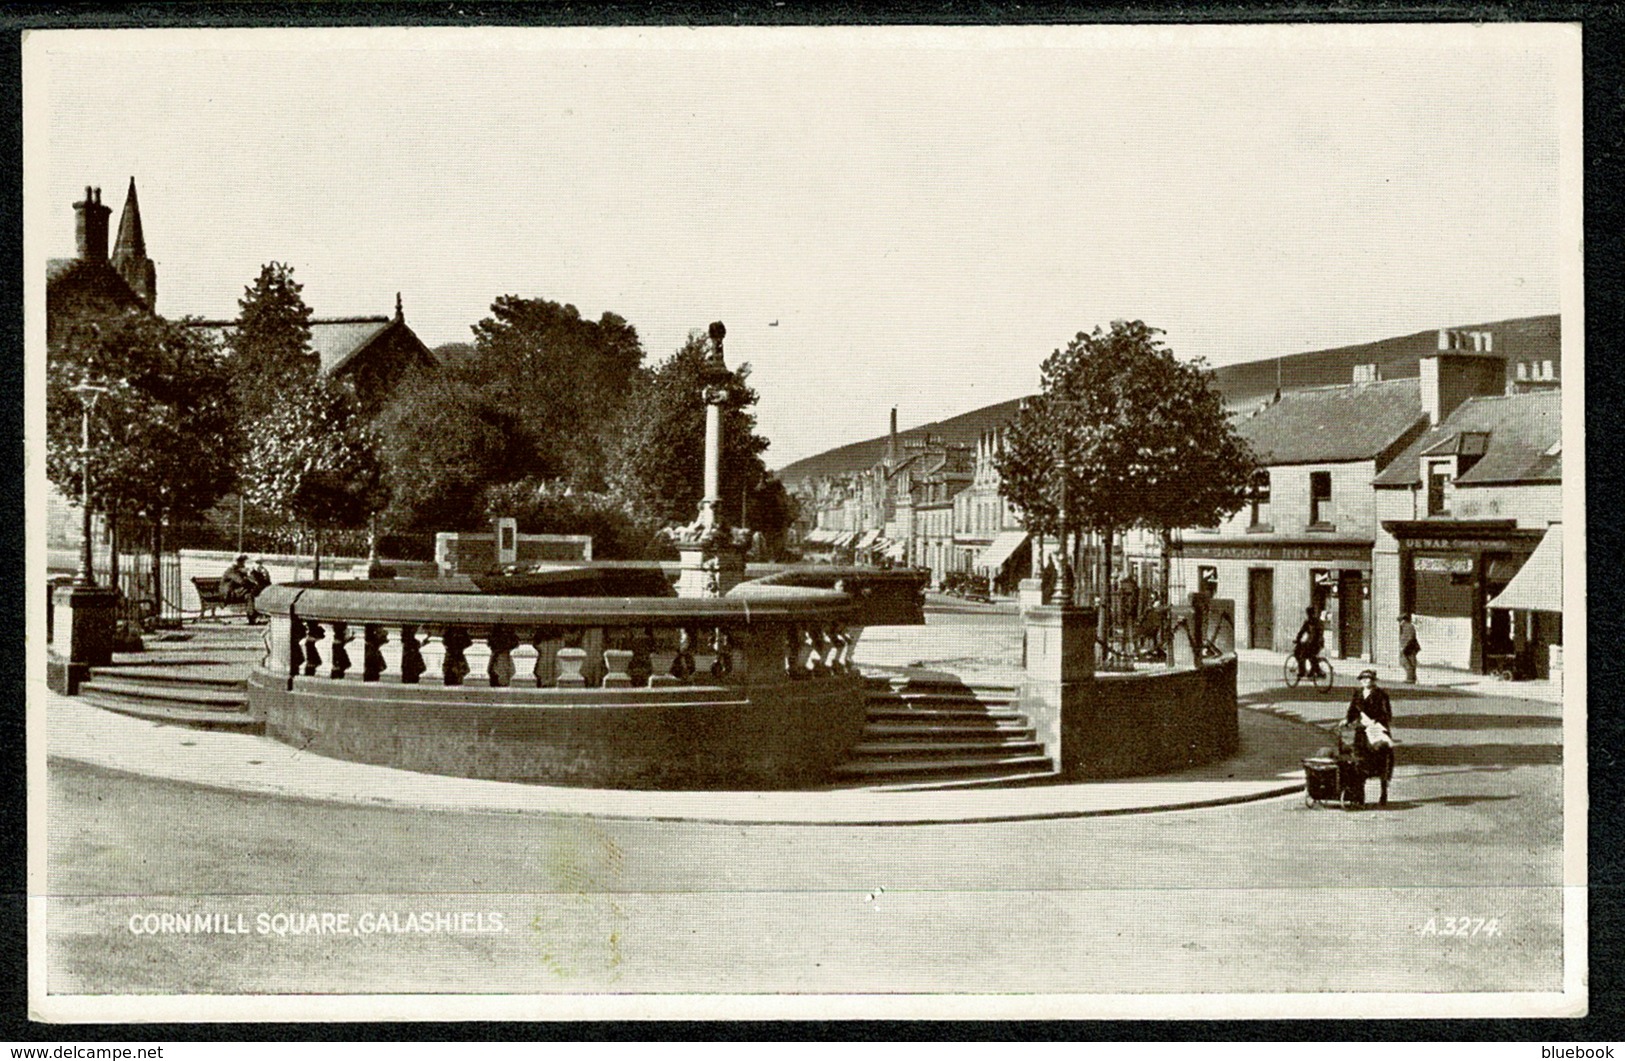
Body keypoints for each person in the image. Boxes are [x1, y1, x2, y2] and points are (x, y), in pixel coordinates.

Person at [1344, 668, 1395, 805]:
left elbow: (1387, 714)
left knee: (1381, 759)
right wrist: (1347, 720)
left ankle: (1383, 792)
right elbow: (1353, 710)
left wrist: (1376, 720)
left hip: (1377, 731)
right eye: (1364, 679)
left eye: (1370, 679)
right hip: (1361, 731)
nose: (1367, 681)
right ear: (1360, 681)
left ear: (1374, 681)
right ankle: (1360, 796)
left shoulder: (1381, 695)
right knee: (1358, 761)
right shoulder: (1358, 693)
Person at [220, 554, 261, 623]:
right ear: (236, 562)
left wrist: (253, 573)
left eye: (243, 561)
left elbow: (249, 580)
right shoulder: (231, 571)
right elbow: (241, 581)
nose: (243, 563)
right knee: (252, 590)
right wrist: (253, 584)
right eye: (241, 561)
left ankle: (252, 618)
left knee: (249, 595)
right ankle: (254, 616)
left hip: (234, 592)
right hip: (228, 594)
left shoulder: (238, 570)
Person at [1294, 604, 1325, 679]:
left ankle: (1303, 671)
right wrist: (1298, 639)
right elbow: (1302, 632)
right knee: (1310, 656)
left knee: (1301, 654)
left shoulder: (1309, 622)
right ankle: (1315, 671)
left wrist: (1298, 640)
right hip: (1317, 643)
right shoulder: (1318, 621)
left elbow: (1302, 632)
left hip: (1313, 643)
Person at [1398, 613, 1420, 683]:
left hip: (1409, 648)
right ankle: (1412, 678)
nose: (1400, 623)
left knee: (1408, 663)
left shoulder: (1409, 626)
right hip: (1408, 647)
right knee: (1409, 663)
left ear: (1404, 620)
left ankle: (1410, 678)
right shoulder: (1406, 626)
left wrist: (1404, 647)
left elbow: (1410, 638)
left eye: (1401, 621)